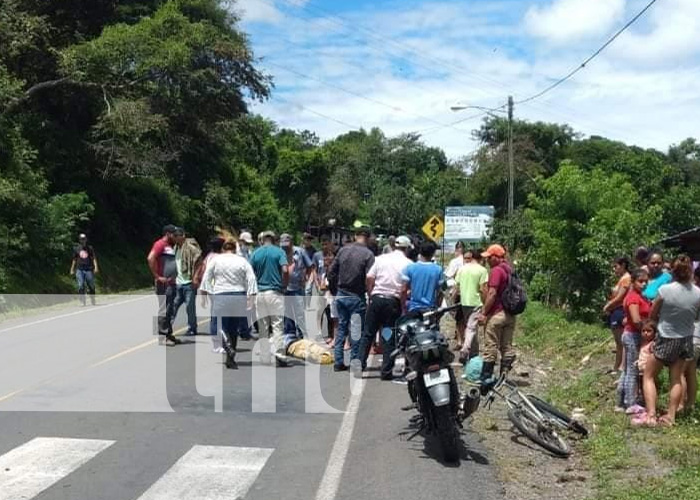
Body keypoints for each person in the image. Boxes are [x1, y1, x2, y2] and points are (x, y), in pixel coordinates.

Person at [638, 255, 700, 427]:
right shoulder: (697, 293)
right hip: (686, 339)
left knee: (649, 376)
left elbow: (652, 314)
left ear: (673, 270)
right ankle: (670, 416)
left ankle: (651, 414)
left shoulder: (665, 290)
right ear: (690, 272)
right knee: (676, 378)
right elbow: (696, 316)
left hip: (667, 338)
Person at [360, 235, 413, 379]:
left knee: (368, 333)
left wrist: (371, 294)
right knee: (388, 336)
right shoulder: (408, 263)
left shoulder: (380, 259)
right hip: (392, 301)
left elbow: (369, 277)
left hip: (377, 298)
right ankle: (386, 371)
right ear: (407, 248)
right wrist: (402, 305)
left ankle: (359, 365)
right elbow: (404, 289)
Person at [199, 238, 257, 365]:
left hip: (221, 295)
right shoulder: (242, 261)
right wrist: (251, 296)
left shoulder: (216, 260)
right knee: (233, 327)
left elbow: (206, 277)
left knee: (219, 324)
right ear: (235, 249)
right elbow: (251, 278)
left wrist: (204, 294)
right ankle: (230, 359)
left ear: (223, 249)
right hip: (239, 295)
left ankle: (227, 346)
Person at [327, 227, 375, 372]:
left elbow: (331, 272)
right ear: (368, 238)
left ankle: (338, 361)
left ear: (355, 236)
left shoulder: (343, 250)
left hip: (341, 293)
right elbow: (370, 277)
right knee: (355, 331)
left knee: (341, 328)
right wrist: (370, 294)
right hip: (356, 295)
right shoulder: (368, 254)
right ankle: (354, 361)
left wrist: (335, 290)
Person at [477, 244, 516, 391]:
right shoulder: (510, 269)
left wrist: (484, 313)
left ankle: (486, 381)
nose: (487, 261)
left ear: (495, 257)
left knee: (490, 347)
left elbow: (492, 294)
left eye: (489, 257)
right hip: (510, 315)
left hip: (497, 315)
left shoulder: (496, 271)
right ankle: (503, 378)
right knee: (506, 347)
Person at [250, 231, 289, 366]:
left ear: (262, 240)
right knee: (277, 325)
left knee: (263, 325)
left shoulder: (256, 253)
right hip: (275, 292)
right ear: (274, 239)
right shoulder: (279, 252)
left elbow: (250, 272)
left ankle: (265, 355)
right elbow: (285, 270)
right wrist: (284, 285)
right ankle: (279, 355)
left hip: (260, 293)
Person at [617, 268, 650, 413]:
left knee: (627, 369)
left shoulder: (638, 296)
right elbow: (636, 319)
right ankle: (630, 403)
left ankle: (621, 400)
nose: (644, 284)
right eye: (640, 281)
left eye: (646, 282)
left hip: (630, 334)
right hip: (633, 335)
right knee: (632, 369)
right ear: (633, 282)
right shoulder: (633, 297)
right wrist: (647, 331)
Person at [147, 224, 181, 345]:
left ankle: (168, 333)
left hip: (171, 282)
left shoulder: (170, 246)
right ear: (167, 234)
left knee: (170, 308)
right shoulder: (160, 244)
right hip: (164, 283)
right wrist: (157, 276)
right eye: (174, 234)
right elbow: (150, 258)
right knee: (164, 309)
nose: (176, 236)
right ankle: (163, 336)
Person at [280, 233, 313, 349]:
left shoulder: (300, 252)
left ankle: (303, 336)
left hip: (297, 288)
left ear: (292, 243)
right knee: (286, 314)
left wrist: (306, 279)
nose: (285, 247)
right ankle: (290, 337)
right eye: (283, 245)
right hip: (283, 288)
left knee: (299, 312)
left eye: (287, 245)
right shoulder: (279, 252)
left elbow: (310, 266)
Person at [454, 248, 489, 360]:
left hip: (464, 302)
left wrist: (454, 299)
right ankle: (465, 349)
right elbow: (483, 289)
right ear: (480, 258)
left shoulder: (462, 269)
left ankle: (474, 355)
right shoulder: (482, 270)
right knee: (471, 328)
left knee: (472, 327)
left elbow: (456, 287)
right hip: (476, 302)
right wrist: (485, 304)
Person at [603, 256, 632, 373]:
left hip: (620, 311)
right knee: (619, 343)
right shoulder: (622, 279)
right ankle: (617, 366)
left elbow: (620, 298)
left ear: (623, 265)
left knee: (621, 342)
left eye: (616, 266)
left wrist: (607, 306)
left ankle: (620, 367)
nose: (614, 269)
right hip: (616, 311)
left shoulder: (626, 279)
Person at [171, 228, 202, 337]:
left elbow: (199, 260)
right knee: (173, 305)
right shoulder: (175, 248)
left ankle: (192, 328)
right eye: (174, 236)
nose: (175, 238)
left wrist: (196, 276)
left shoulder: (190, 248)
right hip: (178, 282)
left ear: (182, 236)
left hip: (189, 282)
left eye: (177, 236)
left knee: (190, 306)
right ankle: (168, 328)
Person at [401, 242, 444, 313]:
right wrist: (437, 306)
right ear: (433, 253)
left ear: (420, 252)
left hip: (413, 308)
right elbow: (441, 292)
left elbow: (403, 289)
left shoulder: (410, 268)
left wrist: (403, 306)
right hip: (430, 308)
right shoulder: (438, 270)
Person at [195, 237, 224, 338]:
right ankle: (218, 333)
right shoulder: (221, 258)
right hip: (220, 287)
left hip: (211, 287)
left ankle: (214, 331)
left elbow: (203, 272)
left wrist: (203, 291)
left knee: (215, 310)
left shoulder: (208, 257)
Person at [71, 233, 99, 306]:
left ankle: (92, 298)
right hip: (79, 269)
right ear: (79, 240)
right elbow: (74, 259)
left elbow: (93, 258)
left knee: (91, 285)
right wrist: (72, 269)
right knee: (81, 285)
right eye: (81, 239)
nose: (83, 240)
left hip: (88, 269)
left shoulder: (90, 248)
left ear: (86, 239)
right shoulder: (76, 248)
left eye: (84, 239)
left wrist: (96, 267)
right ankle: (83, 301)